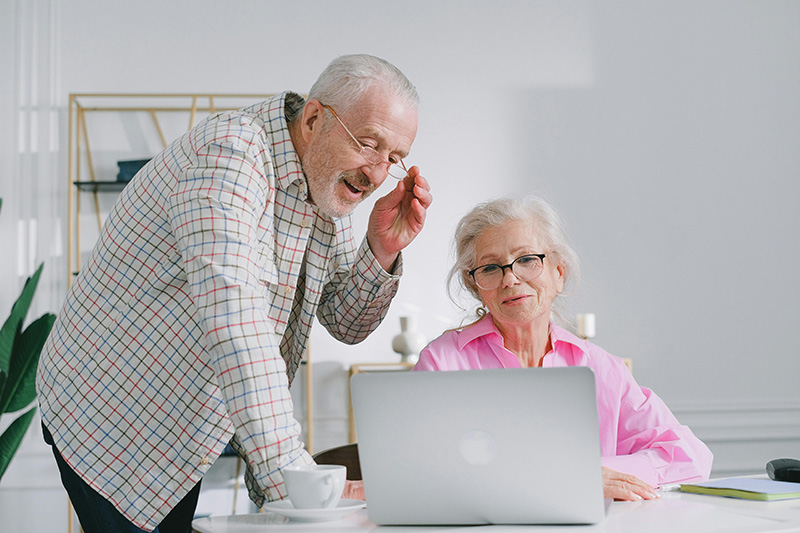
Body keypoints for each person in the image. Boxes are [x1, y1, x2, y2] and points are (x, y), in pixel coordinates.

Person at [37, 54, 432, 532]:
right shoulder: (230, 153)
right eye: (368, 145)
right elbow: (237, 325)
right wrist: (297, 484)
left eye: (392, 159)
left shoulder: (326, 188)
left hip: (180, 428)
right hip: (111, 418)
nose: (375, 174)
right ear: (313, 119)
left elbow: (346, 323)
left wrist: (381, 249)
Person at [412, 195, 711, 501]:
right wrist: (569, 477)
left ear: (558, 272)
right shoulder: (442, 362)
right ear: (477, 287)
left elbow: (689, 457)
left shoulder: (601, 367)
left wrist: (593, 473)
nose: (510, 279)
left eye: (527, 260)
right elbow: (422, 472)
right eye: (490, 268)